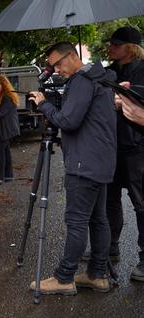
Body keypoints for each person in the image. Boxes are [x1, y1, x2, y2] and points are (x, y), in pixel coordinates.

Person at [28, 42, 117, 295]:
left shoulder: (82, 81)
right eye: (52, 66)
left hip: (84, 163)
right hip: (100, 160)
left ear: (72, 56)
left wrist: (44, 104)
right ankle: (97, 275)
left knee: (76, 221)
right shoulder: (100, 78)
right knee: (98, 219)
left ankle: (64, 277)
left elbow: (68, 120)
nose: (56, 70)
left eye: (58, 63)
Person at [104, 26, 144, 281]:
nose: (110, 47)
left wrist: (129, 92)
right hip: (110, 145)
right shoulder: (108, 71)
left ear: (130, 47)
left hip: (137, 147)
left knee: (141, 203)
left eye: (116, 44)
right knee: (110, 198)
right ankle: (111, 246)